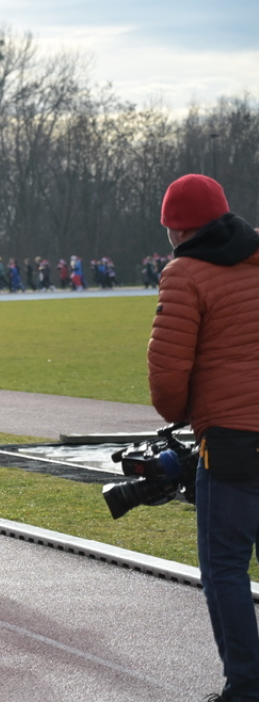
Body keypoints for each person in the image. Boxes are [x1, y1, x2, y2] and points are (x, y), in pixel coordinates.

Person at [147, 174, 259, 702]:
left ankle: (246, 684)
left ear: (176, 227)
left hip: (232, 439)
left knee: (225, 567)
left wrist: (178, 414)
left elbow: (168, 372)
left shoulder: (185, 272)